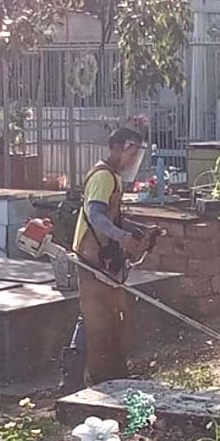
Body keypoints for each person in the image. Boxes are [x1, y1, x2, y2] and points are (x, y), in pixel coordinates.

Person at [64, 128, 160, 390]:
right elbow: (95, 216)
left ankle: (105, 375)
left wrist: (137, 230)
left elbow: (112, 217)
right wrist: (121, 237)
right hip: (91, 257)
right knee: (95, 318)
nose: (132, 160)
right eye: (131, 152)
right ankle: (84, 380)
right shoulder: (104, 177)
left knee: (106, 316)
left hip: (102, 257)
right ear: (116, 148)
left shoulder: (113, 177)